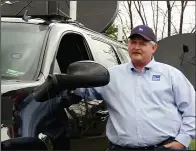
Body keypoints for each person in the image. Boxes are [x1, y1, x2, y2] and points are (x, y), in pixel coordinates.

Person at [73, 25, 195, 150]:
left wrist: (183, 140)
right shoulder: (110, 76)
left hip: (164, 147)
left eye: (142, 43)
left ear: (154, 47)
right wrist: (68, 83)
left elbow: (192, 109)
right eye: (133, 42)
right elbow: (82, 91)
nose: (136, 47)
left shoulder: (171, 75)